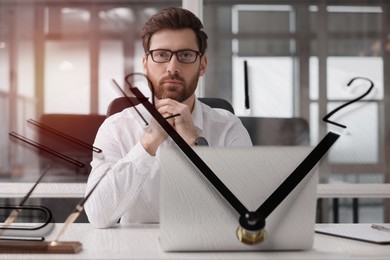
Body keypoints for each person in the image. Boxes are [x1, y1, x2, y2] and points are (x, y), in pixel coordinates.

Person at [84, 7, 252, 228]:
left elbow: (247, 213)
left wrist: (195, 146)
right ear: (145, 64)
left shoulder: (229, 128)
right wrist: (148, 143)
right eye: (161, 55)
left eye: (185, 55)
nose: (173, 67)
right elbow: (98, 215)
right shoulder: (116, 128)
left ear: (202, 65)